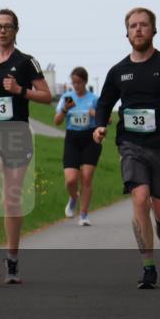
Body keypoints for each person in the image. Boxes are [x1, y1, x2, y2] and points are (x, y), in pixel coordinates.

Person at [93, 7, 160, 289]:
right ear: (126, 33)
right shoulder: (118, 71)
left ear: (153, 31)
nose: (138, 29)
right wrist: (100, 125)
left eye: (143, 25)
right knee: (140, 198)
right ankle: (148, 266)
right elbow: (104, 103)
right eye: (133, 26)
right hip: (130, 144)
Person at [0, 9, 52, 284]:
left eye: (7, 26)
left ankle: (13, 260)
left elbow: (46, 95)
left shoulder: (27, 62)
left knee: (13, 198)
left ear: (16, 30)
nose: (2, 31)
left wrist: (20, 91)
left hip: (17, 134)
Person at [54, 66, 102, 226]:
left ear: (85, 82)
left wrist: (97, 115)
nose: (76, 85)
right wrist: (64, 110)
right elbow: (57, 121)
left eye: (79, 82)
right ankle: (74, 197)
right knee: (71, 180)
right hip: (72, 139)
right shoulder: (67, 98)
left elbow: (107, 120)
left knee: (87, 177)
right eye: (73, 82)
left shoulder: (94, 99)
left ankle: (83, 215)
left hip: (90, 138)